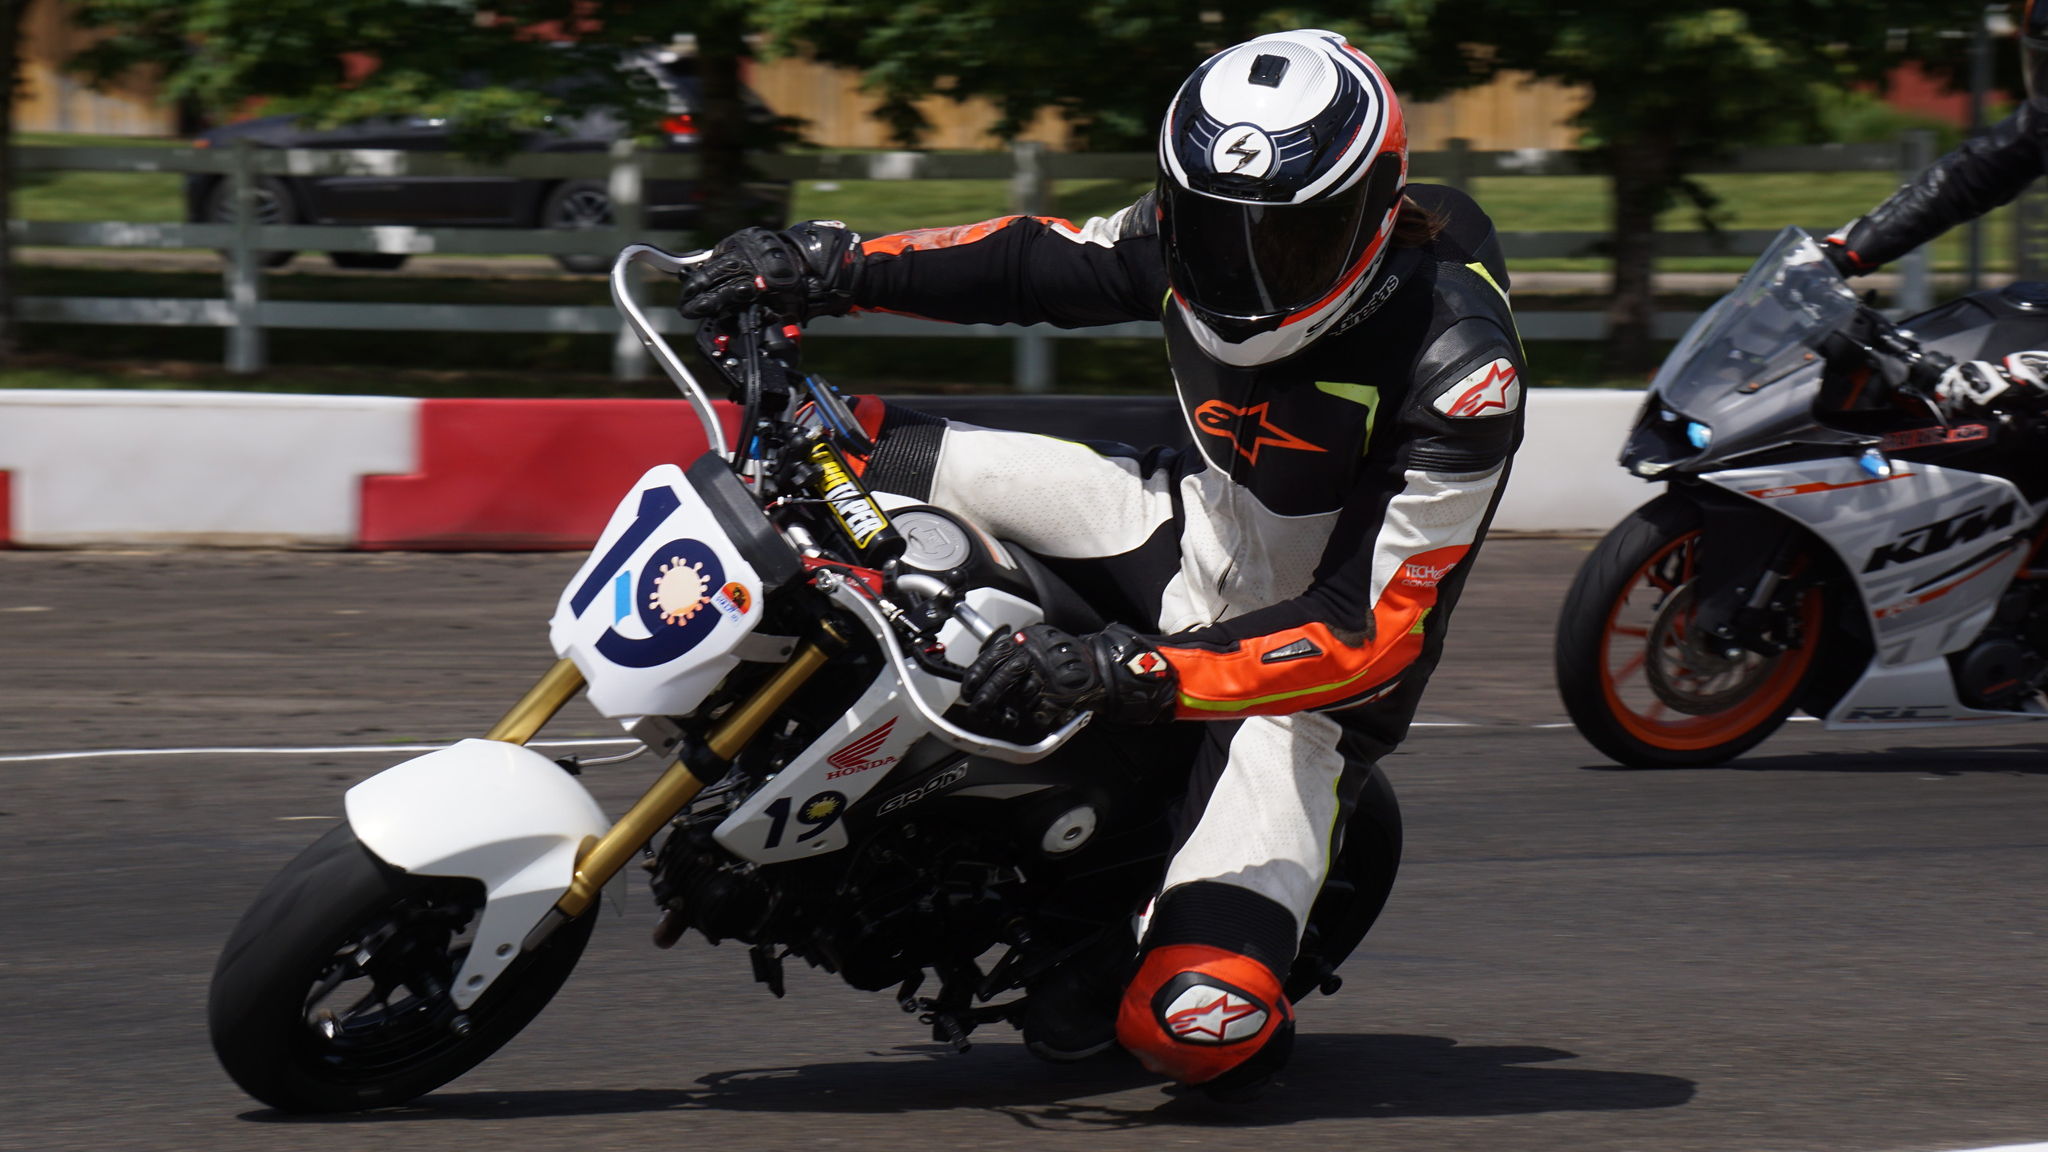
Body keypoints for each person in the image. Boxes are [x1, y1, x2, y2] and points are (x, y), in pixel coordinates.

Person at [677, 28, 1525, 1094]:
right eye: (1214, 230)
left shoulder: (1458, 371)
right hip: (1178, 530)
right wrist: (824, 265)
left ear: (1376, 207)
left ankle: (1162, 930)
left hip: (1294, 691)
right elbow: (1033, 260)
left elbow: (1370, 635)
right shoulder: (1183, 231)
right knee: (834, 448)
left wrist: (1134, 671)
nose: (1245, 268)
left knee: (1189, 1029)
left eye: (1293, 241)